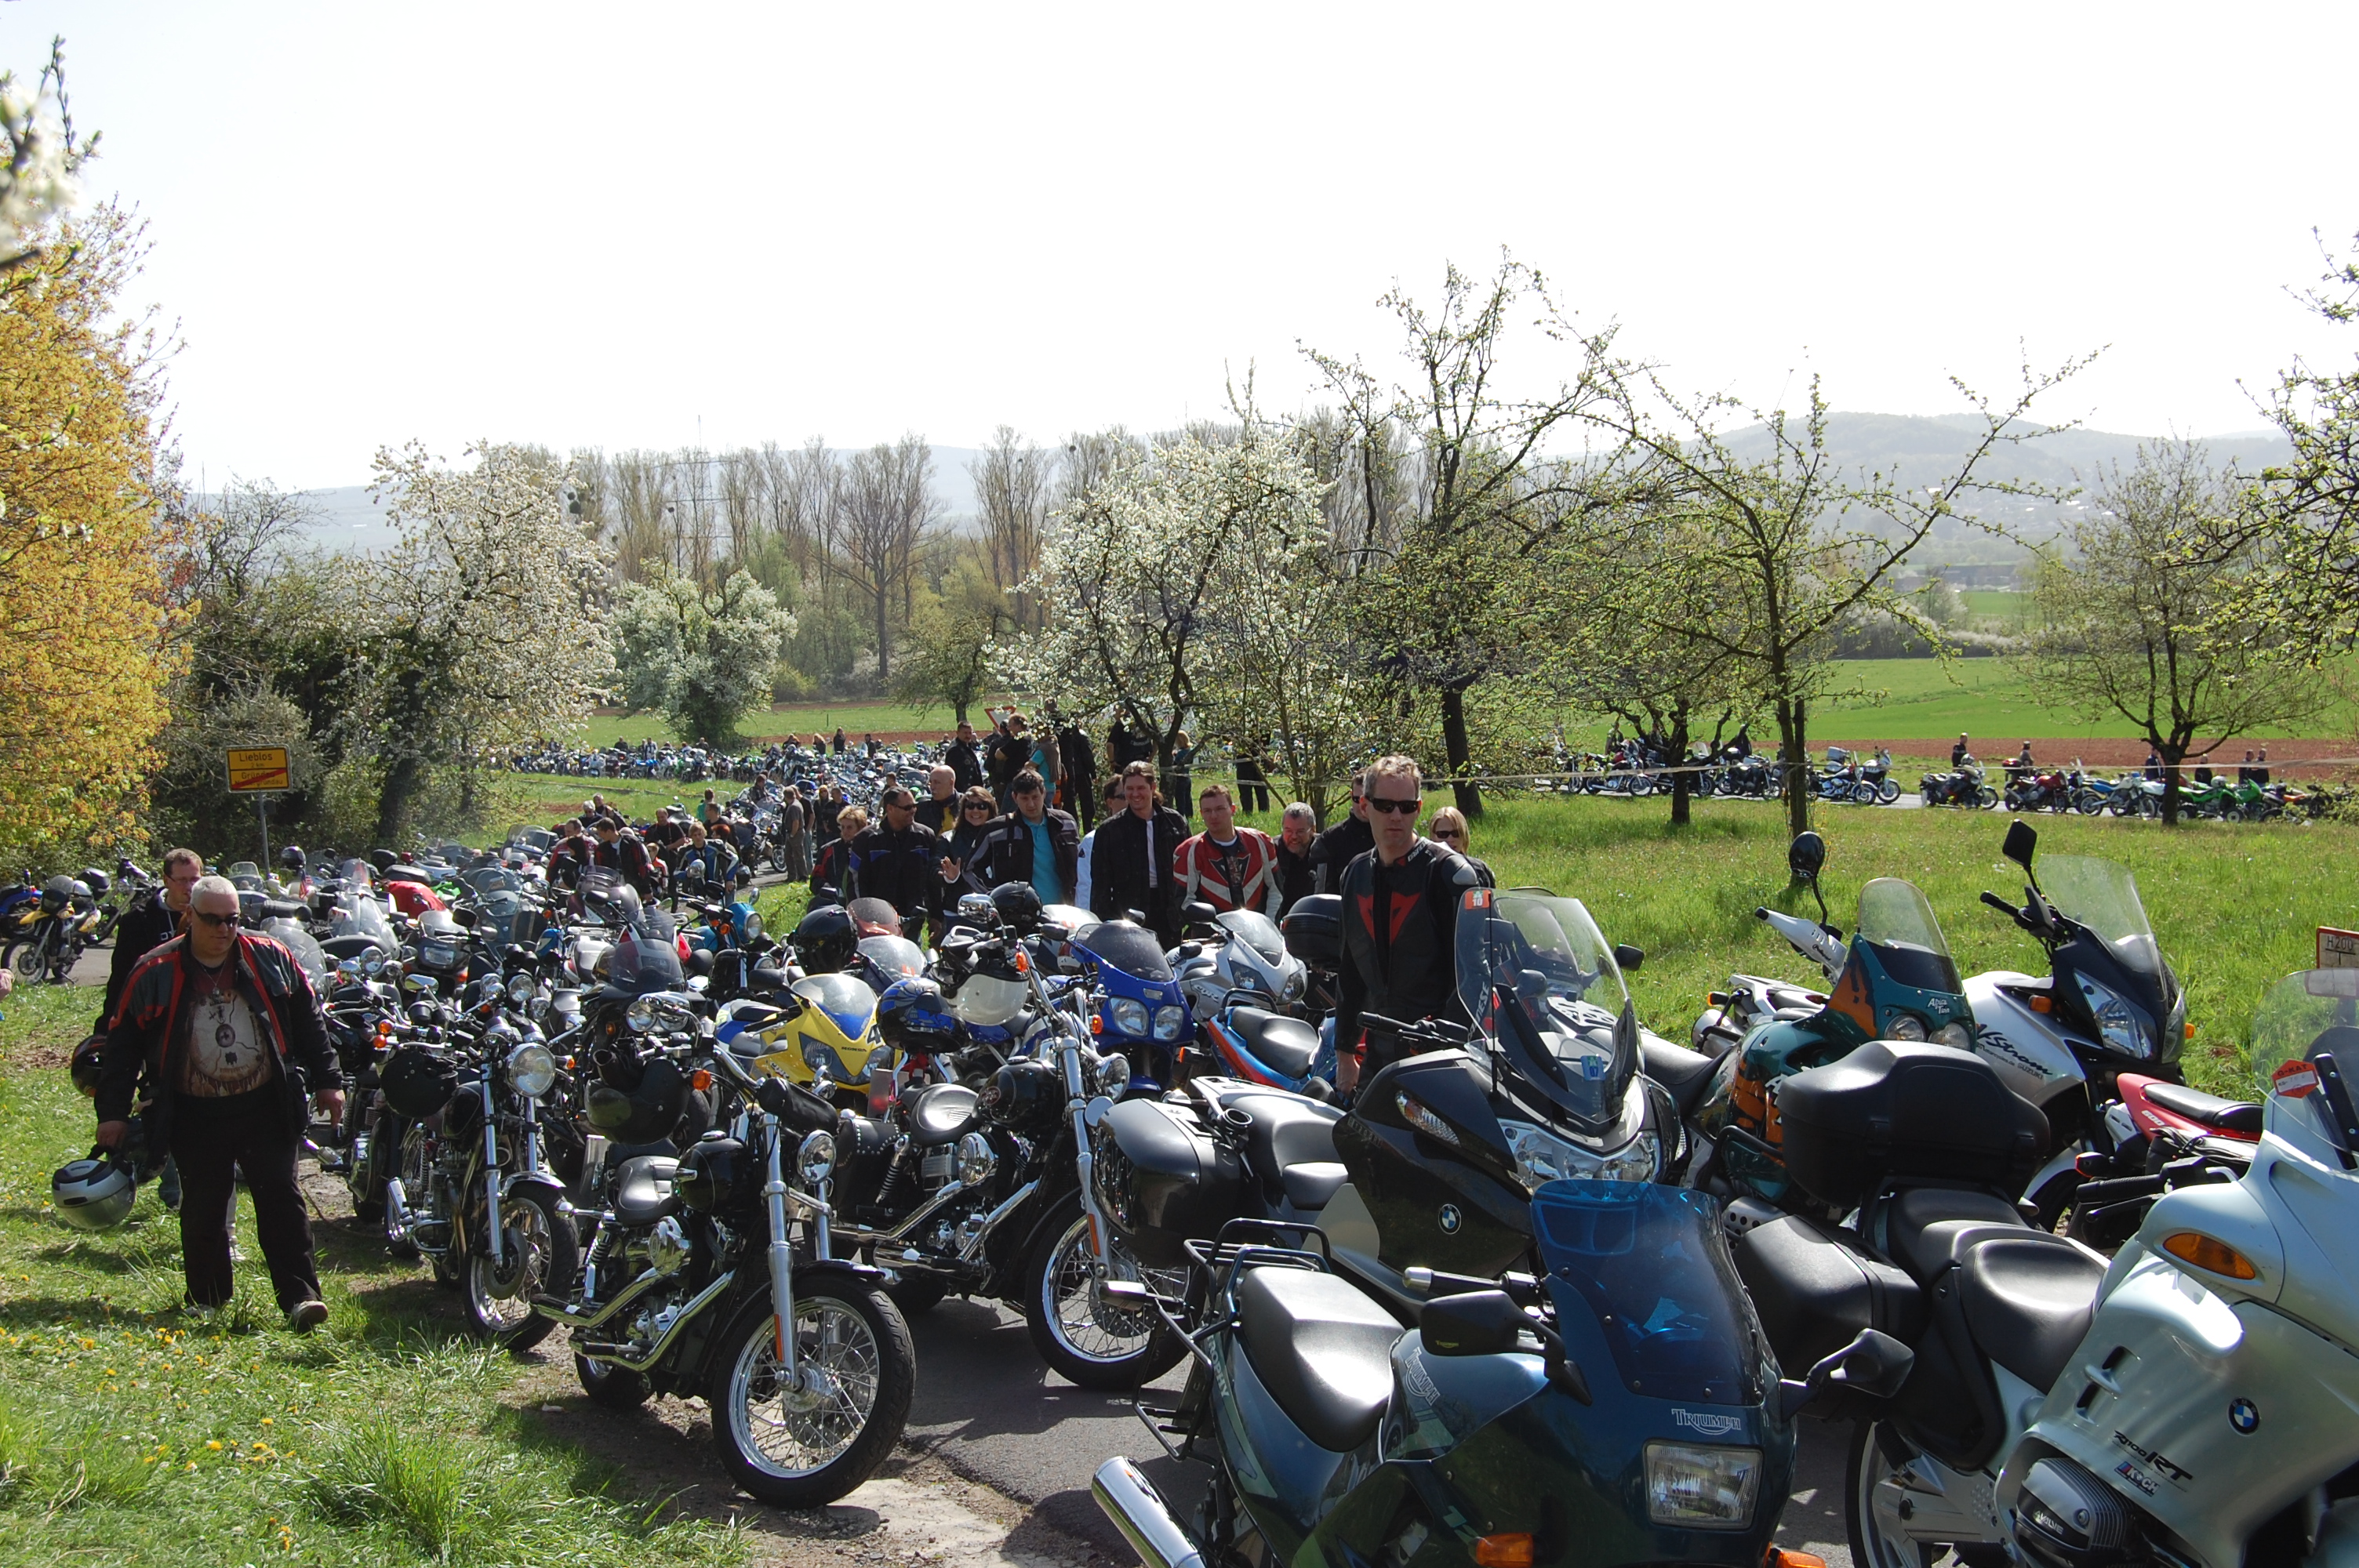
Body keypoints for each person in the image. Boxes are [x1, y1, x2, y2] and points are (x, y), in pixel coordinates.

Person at [95, 875, 344, 1328]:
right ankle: (207, 1298)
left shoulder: (272, 957)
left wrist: (330, 1081)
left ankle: (301, 1299)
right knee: (204, 1202)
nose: (224, 929)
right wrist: (112, 1114)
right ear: (189, 917)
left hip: (265, 1104)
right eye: (212, 920)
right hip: (193, 1110)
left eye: (232, 920)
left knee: (282, 1199)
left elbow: (310, 1020)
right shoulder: (155, 972)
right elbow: (123, 1044)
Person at [1334, 757, 1480, 1096]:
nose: (1396, 816)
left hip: (1439, 1051)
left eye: (1406, 806)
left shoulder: (1449, 874)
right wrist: (1344, 1051)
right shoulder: (1355, 874)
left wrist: (1445, 1042)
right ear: (1365, 806)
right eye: (1385, 806)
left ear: (1419, 808)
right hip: (1378, 1046)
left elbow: (1473, 973)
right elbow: (1350, 968)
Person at [1089, 761, 1189, 942]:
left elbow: (1189, 870)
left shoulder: (1174, 823)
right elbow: (1100, 885)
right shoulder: (1109, 830)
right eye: (1130, 789)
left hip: (1169, 914)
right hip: (1129, 915)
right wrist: (1105, 922)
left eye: (1141, 788)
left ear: (1153, 787)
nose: (1135, 794)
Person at [102, 847, 199, 1030]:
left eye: (195, 879)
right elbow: (121, 978)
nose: (190, 887)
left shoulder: (210, 917)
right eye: (182, 880)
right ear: (166, 881)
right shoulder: (138, 921)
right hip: (153, 1014)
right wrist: (106, 1028)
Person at [967, 770, 1080, 908]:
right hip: (1019, 916)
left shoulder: (1065, 824)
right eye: (1025, 798)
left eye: (1035, 797)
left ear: (1044, 793)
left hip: (1065, 912)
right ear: (1014, 797)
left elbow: (1082, 868)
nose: (1031, 804)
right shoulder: (996, 830)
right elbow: (970, 868)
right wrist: (995, 895)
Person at [846, 787, 945, 936]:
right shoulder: (866, 839)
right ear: (890, 809)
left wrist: (936, 915)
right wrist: (863, 917)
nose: (913, 811)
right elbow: (855, 881)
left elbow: (933, 881)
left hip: (913, 920)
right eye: (907, 808)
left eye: (914, 806)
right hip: (876, 923)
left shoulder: (925, 836)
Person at [1174, 782, 1281, 917]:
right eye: (1207, 811)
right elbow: (1185, 902)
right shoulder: (1189, 851)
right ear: (1201, 813)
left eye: (1220, 809)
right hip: (1213, 934)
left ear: (1233, 809)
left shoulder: (1260, 842)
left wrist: (1270, 924)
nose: (1213, 816)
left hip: (1258, 930)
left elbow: (1276, 891)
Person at [936, 785, 1001, 928]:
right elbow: (934, 871)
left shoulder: (1002, 837)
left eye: (982, 806)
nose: (975, 811)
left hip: (996, 911)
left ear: (991, 809)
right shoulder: (948, 839)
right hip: (958, 913)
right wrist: (949, 877)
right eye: (970, 806)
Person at [1310, 771, 1376, 895]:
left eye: (1367, 800)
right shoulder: (1330, 840)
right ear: (1351, 796)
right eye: (1357, 799)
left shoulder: (1393, 836)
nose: (1362, 806)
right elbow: (1320, 896)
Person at [1073, 776, 1128, 910]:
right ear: (1110, 802)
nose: (1133, 799)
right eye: (1124, 796)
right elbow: (1086, 888)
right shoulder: (1093, 841)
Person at [590, 815, 666, 901]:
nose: (599, 836)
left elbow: (642, 866)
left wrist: (647, 889)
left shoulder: (632, 844)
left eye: (601, 833)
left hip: (634, 887)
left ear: (608, 831)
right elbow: (601, 871)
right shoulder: (601, 850)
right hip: (613, 889)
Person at [1427, 807, 1496, 887]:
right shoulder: (1424, 872)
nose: (1450, 839)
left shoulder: (1479, 869)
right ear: (1432, 836)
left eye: (1456, 833)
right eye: (1443, 834)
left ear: (1464, 835)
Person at [811, 805, 867, 901]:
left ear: (860, 828)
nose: (845, 831)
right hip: (835, 904)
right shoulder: (828, 849)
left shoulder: (869, 849)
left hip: (863, 904)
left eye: (849, 827)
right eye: (843, 827)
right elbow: (815, 880)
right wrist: (826, 887)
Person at [1273, 803, 1318, 916]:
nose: (1294, 837)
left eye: (1300, 832)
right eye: (1288, 831)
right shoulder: (1272, 852)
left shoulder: (1325, 852)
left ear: (1313, 830)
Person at [1056, 711, 1097, 827]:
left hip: (1068, 772)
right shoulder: (1082, 737)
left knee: (1070, 802)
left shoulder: (1062, 737)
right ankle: (1089, 827)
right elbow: (1087, 756)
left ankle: (1074, 826)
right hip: (1082, 773)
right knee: (1087, 803)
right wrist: (1093, 773)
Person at [1163, 730, 1197, 824]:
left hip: (1180, 778)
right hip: (1187, 777)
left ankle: (1180, 816)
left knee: (1180, 799)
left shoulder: (1181, 753)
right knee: (1187, 798)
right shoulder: (1188, 751)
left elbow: (1175, 764)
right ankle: (1190, 816)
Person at [915, 764, 960, 835]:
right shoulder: (922, 808)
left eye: (937, 782)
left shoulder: (968, 804)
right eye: (930, 782)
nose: (932, 787)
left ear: (951, 783)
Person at [779, 788, 812, 881]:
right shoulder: (794, 803)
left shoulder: (794, 806)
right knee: (788, 855)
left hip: (796, 833)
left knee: (798, 855)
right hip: (792, 833)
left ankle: (803, 876)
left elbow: (796, 822)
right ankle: (792, 876)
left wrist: (793, 834)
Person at [946, 720, 987, 793]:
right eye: (965, 733)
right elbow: (955, 775)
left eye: (970, 733)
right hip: (962, 792)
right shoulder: (955, 750)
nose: (968, 736)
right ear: (958, 733)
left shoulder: (968, 746)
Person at [1234, 739, 1270, 816]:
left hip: (1258, 761)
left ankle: (1264, 813)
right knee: (1246, 792)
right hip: (1244, 762)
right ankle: (1248, 813)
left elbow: (1265, 741)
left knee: (1261, 790)